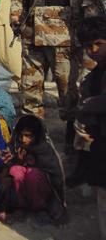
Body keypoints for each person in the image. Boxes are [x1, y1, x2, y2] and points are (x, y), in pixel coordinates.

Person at [11, 0, 83, 128]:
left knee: (66, 87)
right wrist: (15, 15)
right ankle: (33, 135)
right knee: (30, 89)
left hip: (61, 35)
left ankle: (71, 131)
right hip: (31, 34)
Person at [74, 16, 106, 240]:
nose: (93, 51)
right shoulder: (100, 69)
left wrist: (85, 106)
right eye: (88, 46)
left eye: (98, 44)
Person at [4, 115, 66, 224]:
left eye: (28, 136)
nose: (23, 140)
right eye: (21, 135)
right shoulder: (14, 146)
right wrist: (18, 160)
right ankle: (20, 207)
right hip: (22, 191)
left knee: (34, 175)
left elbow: (56, 176)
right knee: (15, 171)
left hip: (42, 192)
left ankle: (40, 209)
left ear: (36, 136)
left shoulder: (44, 149)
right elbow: (4, 169)